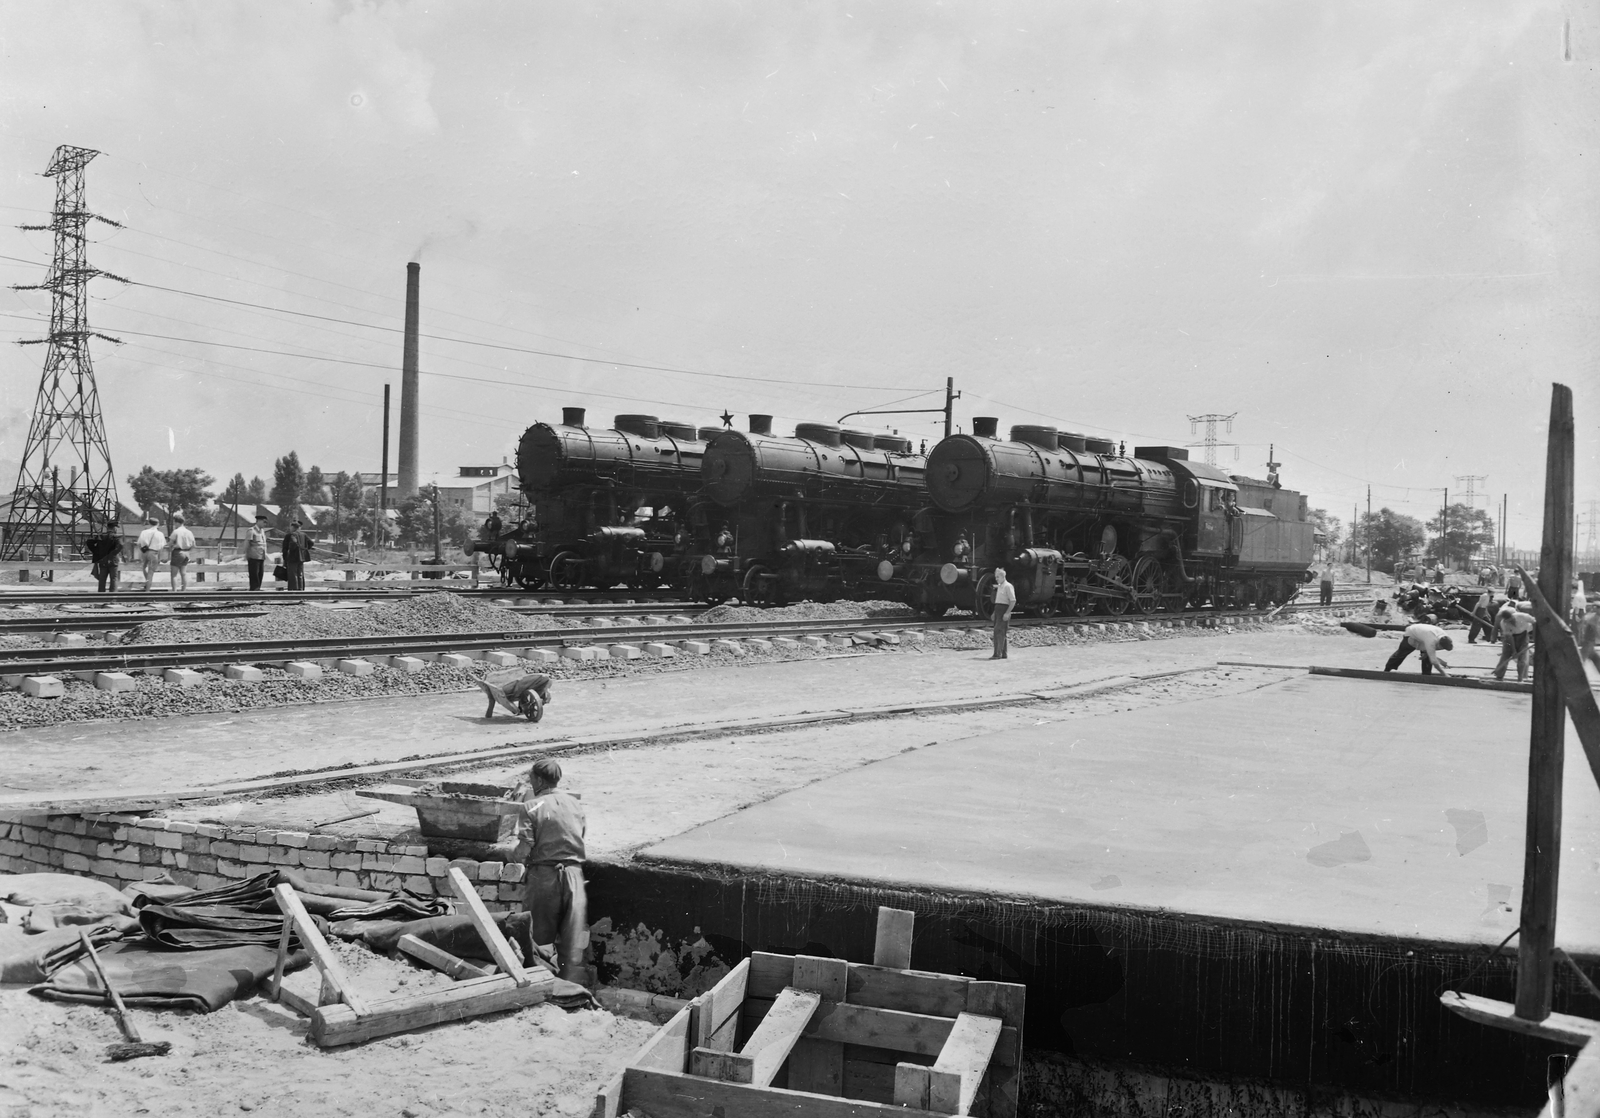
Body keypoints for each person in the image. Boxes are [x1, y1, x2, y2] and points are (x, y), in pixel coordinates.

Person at [509, 758, 588, 984]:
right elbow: (580, 836)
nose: (530, 782)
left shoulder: (531, 806)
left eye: (532, 778)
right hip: (574, 876)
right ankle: (569, 989)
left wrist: (511, 855)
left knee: (537, 939)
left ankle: (539, 985)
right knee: (571, 942)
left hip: (545, 878)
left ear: (540, 780)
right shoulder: (575, 804)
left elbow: (525, 847)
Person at [1384, 621, 1453, 676]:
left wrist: (1427, 654)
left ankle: (1426, 674)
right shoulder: (1431, 640)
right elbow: (1434, 661)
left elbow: (1431, 653)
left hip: (1423, 635)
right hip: (1412, 633)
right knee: (1402, 653)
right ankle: (1387, 670)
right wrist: (1444, 674)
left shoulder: (1444, 636)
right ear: (1439, 643)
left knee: (1426, 658)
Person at [1492, 601, 1535, 682]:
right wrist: (1514, 651)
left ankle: (1520, 678)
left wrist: (1536, 637)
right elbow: (1509, 638)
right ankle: (1499, 676)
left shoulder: (1522, 616)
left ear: (1513, 616)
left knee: (1522, 659)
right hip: (1510, 639)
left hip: (1523, 636)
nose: (1511, 622)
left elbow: (1534, 622)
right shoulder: (1504, 624)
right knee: (1505, 656)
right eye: (1508, 621)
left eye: (1511, 620)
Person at [480, 672, 553, 719]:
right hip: (522, 689)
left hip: (508, 691)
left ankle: (488, 715)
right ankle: (522, 707)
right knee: (520, 684)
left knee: (492, 698)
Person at [84, 523, 122, 593]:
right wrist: (112, 554)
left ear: (107, 528)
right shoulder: (116, 537)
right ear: (114, 529)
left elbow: (89, 542)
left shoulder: (101, 537)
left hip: (103, 561)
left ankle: (101, 595)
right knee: (113, 578)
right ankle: (113, 595)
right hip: (113, 561)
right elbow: (120, 546)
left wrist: (96, 551)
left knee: (102, 579)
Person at [990, 567, 1016, 660]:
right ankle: (1003, 653)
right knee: (999, 632)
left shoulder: (1008, 586)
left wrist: (1007, 613)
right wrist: (994, 613)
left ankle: (998, 654)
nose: (996, 579)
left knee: (999, 631)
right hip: (998, 610)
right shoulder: (1000, 586)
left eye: (997, 577)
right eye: (996, 577)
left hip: (1004, 610)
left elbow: (1012, 600)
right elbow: (998, 601)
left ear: (1002, 576)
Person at [135, 515, 166, 591]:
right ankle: (148, 589)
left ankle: (147, 582)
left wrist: (142, 551)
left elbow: (139, 544)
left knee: (144, 567)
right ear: (157, 524)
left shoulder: (144, 532)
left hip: (145, 552)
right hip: (154, 553)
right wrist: (160, 557)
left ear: (149, 523)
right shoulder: (160, 534)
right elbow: (162, 547)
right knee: (151, 572)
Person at [168, 512, 196, 591]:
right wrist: (188, 550)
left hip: (177, 552)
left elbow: (170, 543)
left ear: (177, 522)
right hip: (186, 553)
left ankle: (174, 591)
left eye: (175, 523)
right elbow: (194, 545)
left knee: (174, 574)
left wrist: (170, 546)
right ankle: (183, 591)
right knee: (183, 573)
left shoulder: (176, 531)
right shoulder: (189, 532)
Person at [280, 518, 310, 591]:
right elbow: (311, 543)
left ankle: (293, 590)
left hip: (292, 557)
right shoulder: (304, 535)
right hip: (301, 558)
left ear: (293, 527)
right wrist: (304, 549)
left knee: (292, 575)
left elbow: (287, 547)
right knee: (300, 574)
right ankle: (300, 589)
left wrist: (285, 558)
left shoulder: (290, 535)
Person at [245, 513, 270, 591]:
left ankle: (258, 588)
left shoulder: (262, 531)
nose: (265, 524)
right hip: (253, 556)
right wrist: (247, 554)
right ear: (258, 521)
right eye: (264, 522)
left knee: (260, 574)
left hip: (261, 556)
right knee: (254, 574)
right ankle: (254, 589)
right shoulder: (251, 531)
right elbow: (247, 543)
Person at [1579, 601, 1600, 678]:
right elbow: (1596, 630)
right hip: (1588, 643)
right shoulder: (1594, 618)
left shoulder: (1591, 616)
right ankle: (1574, 678)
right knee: (1580, 662)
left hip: (1589, 643)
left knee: (1596, 660)